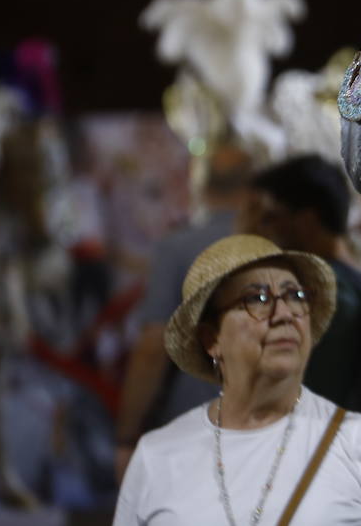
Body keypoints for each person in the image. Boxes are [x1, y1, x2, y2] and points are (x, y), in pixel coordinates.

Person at [114, 234, 361, 526]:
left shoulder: (355, 439)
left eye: (295, 295)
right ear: (211, 339)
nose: (284, 313)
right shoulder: (158, 455)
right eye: (257, 298)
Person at [244, 155, 361, 430]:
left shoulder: (321, 293)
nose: (261, 228)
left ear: (306, 221)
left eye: (271, 217)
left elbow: (310, 398)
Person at [114, 141, 252, 479]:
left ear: (202, 186)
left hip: (195, 432)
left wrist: (127, 436)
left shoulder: (176, 249)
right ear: (252, 186)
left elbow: (152, 347)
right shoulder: (283, 249)